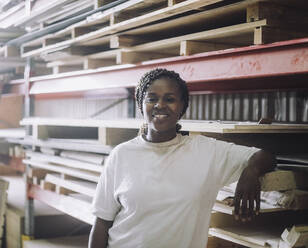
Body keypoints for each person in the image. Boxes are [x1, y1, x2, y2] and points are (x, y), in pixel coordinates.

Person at [89, 68, 276, 248]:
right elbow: (102, 223)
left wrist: (251, 171)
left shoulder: (207, 152)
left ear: (182, 107)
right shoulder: (121, 155)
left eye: (169, 99)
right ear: (140, 104)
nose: (160, 105)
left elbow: (265, 156)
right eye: (151, 98)